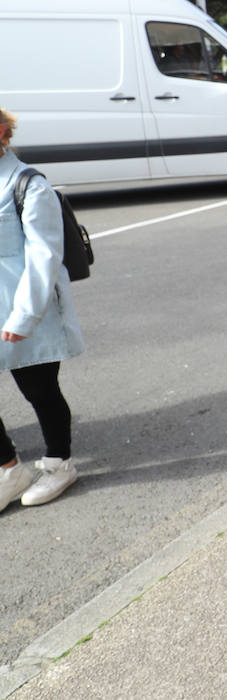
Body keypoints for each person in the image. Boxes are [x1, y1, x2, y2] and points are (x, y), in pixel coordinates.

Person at [0, 109, 83, 511]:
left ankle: (59, 464)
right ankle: (9, 468)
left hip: (25, 309)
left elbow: (44, 256)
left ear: (1, 132)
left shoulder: (28, 184)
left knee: (39, 390)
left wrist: (24, 316)